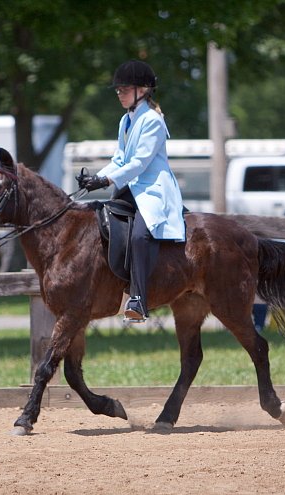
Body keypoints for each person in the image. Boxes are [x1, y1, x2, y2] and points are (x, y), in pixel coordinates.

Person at [78, 60, 186, 323]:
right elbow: (119, 159)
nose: (119, 94)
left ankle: (138, 298)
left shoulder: (153, 121)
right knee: (99, 221)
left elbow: (139, 163)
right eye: (118, 90)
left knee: (139, 236)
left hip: (152, 190)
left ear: (143, 90)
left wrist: (106, 182)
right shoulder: (126, 120)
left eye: (124, 89)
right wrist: (97, 177)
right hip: (130, 190)